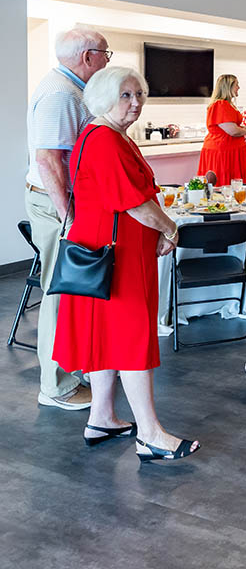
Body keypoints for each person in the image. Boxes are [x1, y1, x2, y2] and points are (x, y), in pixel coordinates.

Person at [53, 66, 199, 461]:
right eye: (126, 95)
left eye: (140, 95)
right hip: (117, 257)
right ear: (104, 97)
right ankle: (150, 433)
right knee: (131, 338)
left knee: (109, 337)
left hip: (108, 251)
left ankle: (101, 417)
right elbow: (135, 203)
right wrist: (171, 229)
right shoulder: (105, 141)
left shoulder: (104, 135)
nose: (136, 103)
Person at [23, 27, 108, 411]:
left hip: (67, 203)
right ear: (88, 56)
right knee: (60, 293)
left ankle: (75, 370)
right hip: (57, 204)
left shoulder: (71, 89)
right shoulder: (60, 93)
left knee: (74, 291)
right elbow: (47, 160)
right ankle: (55, 386)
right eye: (106, 53)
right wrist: (69, 216)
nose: (109, 60)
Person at [199, 74, 246, 185]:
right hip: (223, 151)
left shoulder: (227, 104)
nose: (239, 88)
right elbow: (233, 131)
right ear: (228, 87)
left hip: (230, 149)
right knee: (223, 184)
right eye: (237, 85)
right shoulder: (220, 105)